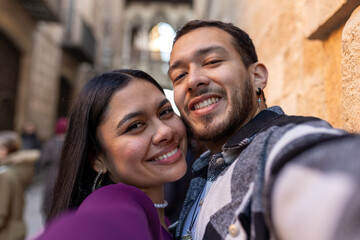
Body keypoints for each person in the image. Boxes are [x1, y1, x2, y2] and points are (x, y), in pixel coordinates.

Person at [168, 20, 360, 240]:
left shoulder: (280, 143)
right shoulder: (201, 170)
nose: (192, 81)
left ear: (257, 76)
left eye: (212, 61)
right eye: (179, 76)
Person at [36, 69, 188, 240]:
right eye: (135, 126)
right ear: (97, 159)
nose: (165, 131)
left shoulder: (162, 218)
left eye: (165, 112)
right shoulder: (112, 204)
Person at [0, 131, 40, 240]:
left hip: (7, 233)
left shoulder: (5, 175)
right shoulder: (15, 170)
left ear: (5, 151)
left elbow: (1, 212)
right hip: (15, 229)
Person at [37, 117, 68, 221]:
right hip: (67, 174)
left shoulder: (51, 143)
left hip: (52, 174)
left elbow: (44, 160)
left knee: (50, 200)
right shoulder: (71, 143)